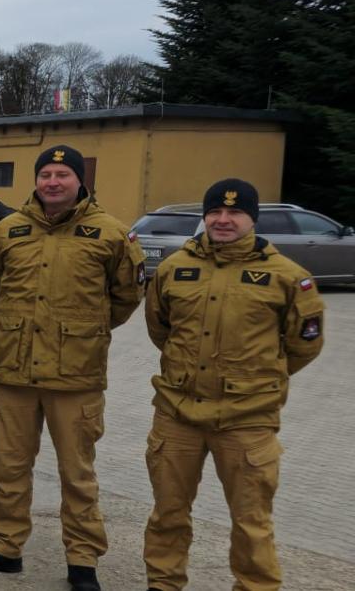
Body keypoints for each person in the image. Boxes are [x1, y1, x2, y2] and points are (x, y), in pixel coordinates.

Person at [0, 145, 143, 591]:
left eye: (63, 174)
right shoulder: (9, 230)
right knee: (8, 468)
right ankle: (5, 548)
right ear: (37, 179)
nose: (53, 182)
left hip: (75, 378)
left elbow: (125, 299)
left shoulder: (111, 234)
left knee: (77, 474)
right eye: (46, 173)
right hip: (14, 375)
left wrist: (81, 331)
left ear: (80, 180)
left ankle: (82, 560)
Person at [142, 179, 323, 591]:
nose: (223, 220)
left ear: (252, 218)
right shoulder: (173, 269)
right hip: (177, 414)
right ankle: (163, 584)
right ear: (204, 216)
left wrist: (255, 379)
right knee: (167, 514)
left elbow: (303, 346)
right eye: (215, 213)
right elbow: (161, 329)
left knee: (251, 522)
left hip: (247, 420)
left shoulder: (288, 277)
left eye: (235, 213)